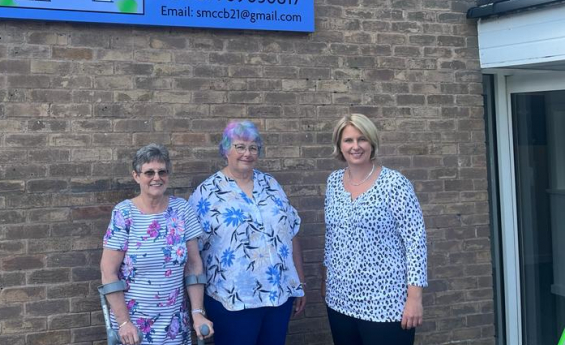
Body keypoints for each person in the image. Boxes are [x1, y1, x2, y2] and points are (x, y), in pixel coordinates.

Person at [189, 120, 306, 345]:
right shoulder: (206, 193)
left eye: (253, 147)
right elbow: (193, 253)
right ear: (225, 150)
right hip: (232, 299)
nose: (247, 153)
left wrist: (299, 282)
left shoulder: (271, 184)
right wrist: (196, 307)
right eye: (240, 147)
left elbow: (292, 231)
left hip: (278, 295)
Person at [323, 113, 428, 345]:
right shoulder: (333, 182)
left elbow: (415, 242)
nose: (355, 146)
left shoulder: (395, 183)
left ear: (372, 142)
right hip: (340, 298)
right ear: (339, 146)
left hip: (385, 301)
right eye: (348, 140)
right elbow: (332, 237)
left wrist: (414, 298)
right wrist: (326, 278)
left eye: (362, 139)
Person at [101, 143, 214, 345]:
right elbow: (108, 272)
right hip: (134, 327)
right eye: (149, 172)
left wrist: (197, 312)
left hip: (174, 323)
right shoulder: (124, 213)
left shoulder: (182, 210)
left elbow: (194, 265)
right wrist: (124, 322)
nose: (156, 177)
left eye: (162, 172)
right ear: (136, 176)